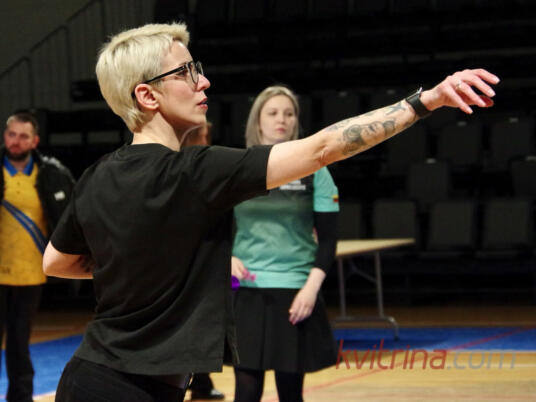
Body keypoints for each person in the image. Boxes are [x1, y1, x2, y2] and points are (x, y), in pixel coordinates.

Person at [41, 21, 499, 402]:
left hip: (91, 377)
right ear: (147, 96)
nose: (203, 81)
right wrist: (425, 101)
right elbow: (322, 148)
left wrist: (145, 264)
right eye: (186, 72)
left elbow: (56, 262)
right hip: (130, 389)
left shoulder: (97, 174)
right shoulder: (197, 171)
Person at [230, 86, 340, 402]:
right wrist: (226, 257)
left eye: (289, 114)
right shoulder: (237, 167)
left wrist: (311, 290)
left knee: (291, 393)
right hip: (246, 291)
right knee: (246, 390)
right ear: (258, 121)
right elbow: (210, 227)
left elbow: (328, 239)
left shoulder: (316, 170)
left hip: (295, 291)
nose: (282, 119)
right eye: (273, 113)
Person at [0, 111, 74, 402]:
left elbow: (68, 218)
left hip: (31, 274)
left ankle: (21, 398)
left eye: (23, 136)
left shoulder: (51, 174)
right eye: (11, 134)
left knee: (20, 344)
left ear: (35, 141)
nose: (15, 141)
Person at [182, 121, 225, 401]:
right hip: (187, 259)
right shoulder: (185, 168)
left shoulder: (206, 166)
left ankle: (201, 382)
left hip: (203, 256)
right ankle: (198, 382)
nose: (206, 141)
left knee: (199, 324)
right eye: (203, 136)